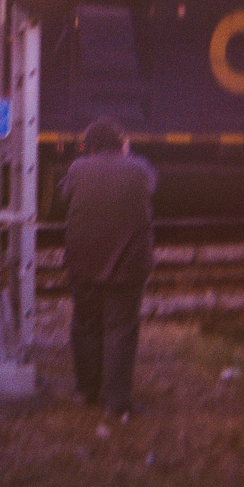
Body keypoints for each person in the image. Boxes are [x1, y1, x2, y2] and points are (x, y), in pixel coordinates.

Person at [58, 118, 158, 422]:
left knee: (86, 324)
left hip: (83, 262)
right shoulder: (140, 168)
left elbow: (64, 196)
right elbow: (151, 188)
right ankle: (116, 402)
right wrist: (126, 156)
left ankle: (86, 391)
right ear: (121, 143)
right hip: (128, 265)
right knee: (120, 329)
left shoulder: (77, 169)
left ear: (89, 145)